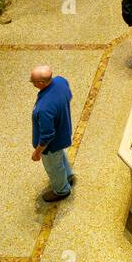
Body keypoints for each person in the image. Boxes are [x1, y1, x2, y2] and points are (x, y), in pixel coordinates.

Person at [30, 66, 74, 203]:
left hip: (51, 145)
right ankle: (68, 176)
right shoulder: (61, 81)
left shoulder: (44, 108)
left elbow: (47, 135)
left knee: (53, 166)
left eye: (33, 81)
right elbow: (68, 96)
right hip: (63, 133)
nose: (32, 83)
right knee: (60, 157)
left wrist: (37, 152)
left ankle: (62, 190)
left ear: (42, 83)